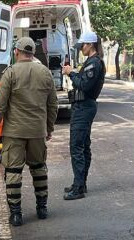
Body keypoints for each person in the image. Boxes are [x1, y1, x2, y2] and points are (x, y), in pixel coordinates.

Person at [0, 37, 58, 226]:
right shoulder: (45, 72)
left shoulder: (10, 73)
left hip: (14, 132)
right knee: (39, 168)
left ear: (16, 52)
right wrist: (48, 128)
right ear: (33, 53)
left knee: (13, 171)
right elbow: (53, 105)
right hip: (37, 131)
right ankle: (42, 208)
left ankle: (16, 214)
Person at [62, 31, 105, 200]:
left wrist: (71, 73)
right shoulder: (90, 62)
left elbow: (84, 86)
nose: (81, 48)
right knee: (83, 146)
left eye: (82, 45)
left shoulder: (94, 63)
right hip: (82, 107)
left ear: (91, 45)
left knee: (77, 147)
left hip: (84, 107)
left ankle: (79, 188)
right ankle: (80, 183)